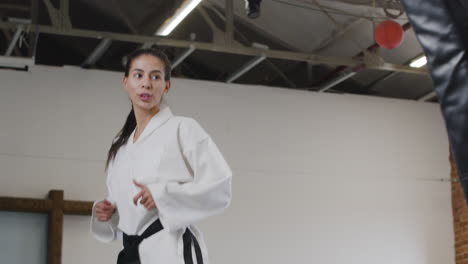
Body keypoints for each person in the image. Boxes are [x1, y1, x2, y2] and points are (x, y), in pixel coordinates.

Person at [90, 48, 232, 264]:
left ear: (166, 85)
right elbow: (125, 205)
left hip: (170, 251)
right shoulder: (120, 145)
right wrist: (108, 211)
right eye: (138, 75)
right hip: (132, 253)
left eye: (155, 76)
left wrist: (164, 195)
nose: (146, 84)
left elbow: (220, 186)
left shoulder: (183, 128)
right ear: (126, 82)